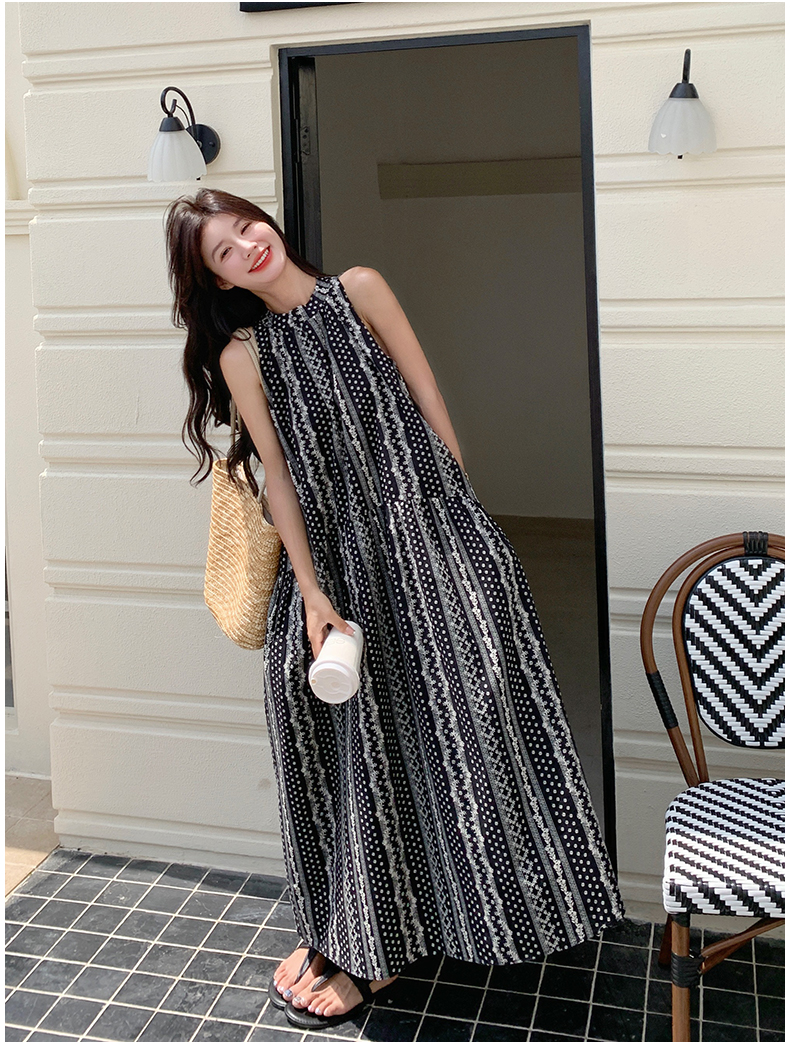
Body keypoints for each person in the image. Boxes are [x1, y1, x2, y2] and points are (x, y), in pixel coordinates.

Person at [164, 188, 625, 1032]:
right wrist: (310, 591)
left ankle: (447, 924)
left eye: (245, 227)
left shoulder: (362, 288)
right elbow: (279, 479)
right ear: (219, 281)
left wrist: (459, 517)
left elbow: (426, 395)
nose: (247, 247)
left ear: (266, 221)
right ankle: (351, 937)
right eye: (224, 253)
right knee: (344, 747)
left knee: (461, 733)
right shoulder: (243, 356)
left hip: (431, 536)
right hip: (336, 567)